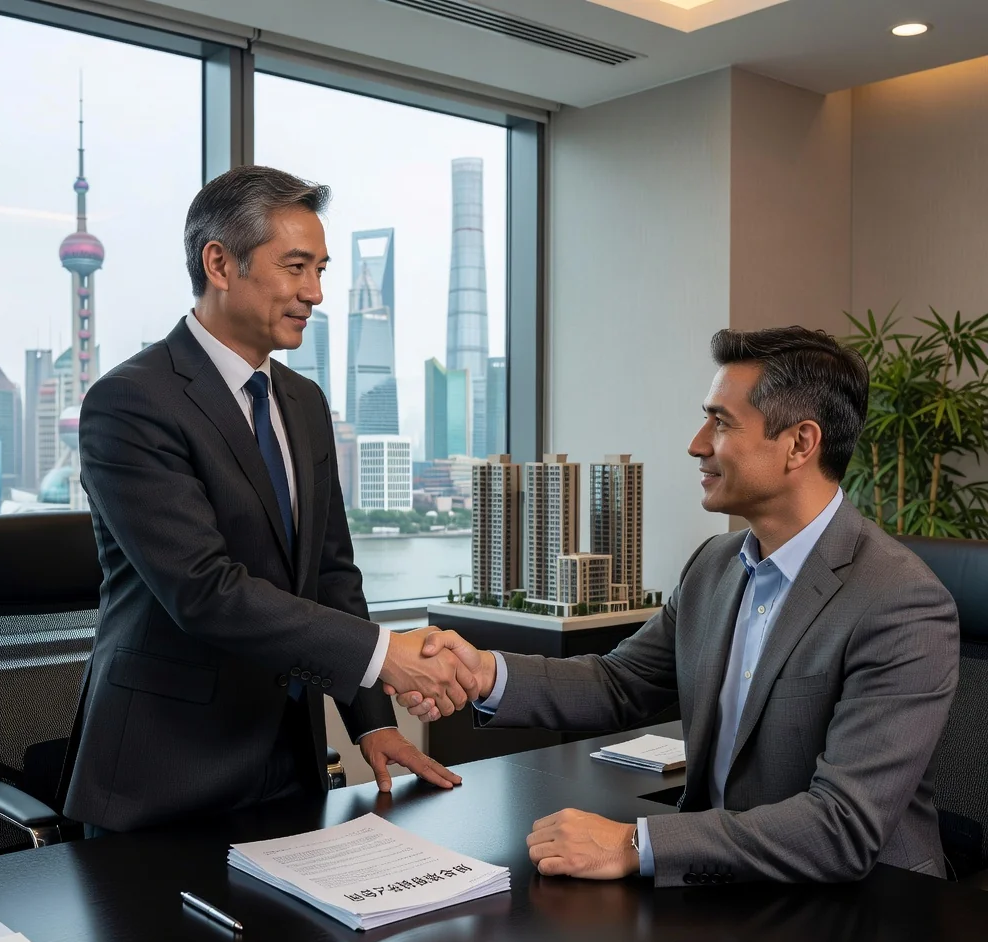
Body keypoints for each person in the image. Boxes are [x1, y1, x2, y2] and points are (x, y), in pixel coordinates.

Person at [393, 327, 960, 887]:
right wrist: (484, 672)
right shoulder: (714, 565)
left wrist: (633, 841)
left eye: (721, 422)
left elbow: (842, 827)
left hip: (871, 914)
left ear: (800, 444)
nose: (697, 443)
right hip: (729, 889)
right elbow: (621, 683)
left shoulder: (900, 603)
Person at [65, 165, 474, 833]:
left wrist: (370, 722)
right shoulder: (131, 403)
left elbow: (331, 574)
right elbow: (206, 590)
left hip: (290, 767)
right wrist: (383, 653)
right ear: (220, 264)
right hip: (163, 778)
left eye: (321, 269)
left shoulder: (304, 403)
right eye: (295, 267)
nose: (314, 292)